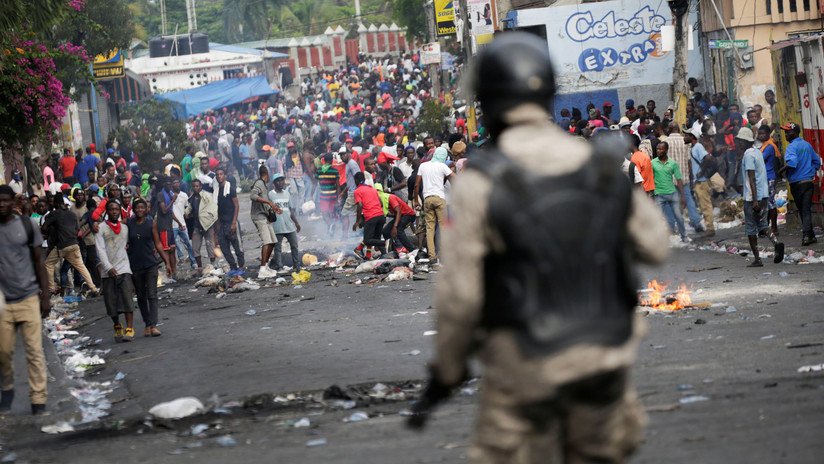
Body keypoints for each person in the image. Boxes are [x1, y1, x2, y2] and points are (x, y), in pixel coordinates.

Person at [406, 33, 668, 463]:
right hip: (602, 360)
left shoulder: (481, 181)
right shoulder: (595, 164)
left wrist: (448, 371)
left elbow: (460, 297)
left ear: (488, 102)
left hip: (525, 366)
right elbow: (655, 245)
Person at [0, 185, 51, 415]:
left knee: (34, 351)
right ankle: (7, 387)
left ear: (13, 202)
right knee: (4, 352)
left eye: (5, 200)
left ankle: (38, 399)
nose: (1, 204)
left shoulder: (27, 225)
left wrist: (45, 296)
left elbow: (39, 262)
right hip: (3, 302)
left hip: (29, 297)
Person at [735, 127, 785, 267]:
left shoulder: (748, 155)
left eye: (739, 141)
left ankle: (757, 259)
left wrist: (754, 200)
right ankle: (776, 243)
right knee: (762, 225)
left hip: (753, 198)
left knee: (751, 229)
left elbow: (752, 178)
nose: (738, 143)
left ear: (744, 142)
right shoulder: (757, 152)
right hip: (763, 195)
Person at [42, 192, 100, 296]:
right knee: (81, 266)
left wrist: (50, 231)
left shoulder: (54, 214)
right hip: (74, 244)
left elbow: (44, 227)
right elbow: (77, 229)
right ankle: (93, 288)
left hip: (62, 246)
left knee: (48, 264)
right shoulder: (72, 214)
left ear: (55, 203)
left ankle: (51, 288)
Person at [95, 200, 135, 343]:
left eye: (116, 209)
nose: (114, 211)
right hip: (108, 271)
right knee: (111, 303)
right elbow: (100, 249)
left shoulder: (125, 228)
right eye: (111, 209)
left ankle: (129, 328)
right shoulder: (100, 228)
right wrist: (108, 267)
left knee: (127, 299)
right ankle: (117, 324)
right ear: (107, 211)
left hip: (124, 268)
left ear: (119, 211)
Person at [128, 199, 167, 337]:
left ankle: (153, 325)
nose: (139, 210)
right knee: (141, 296)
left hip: (150, 264)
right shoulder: (129, 223)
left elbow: (158, 243)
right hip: (135, 266)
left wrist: (166, 262)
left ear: (146, 209)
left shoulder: (151, 223)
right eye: (137, 208)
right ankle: (147, 323)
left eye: (142, 208)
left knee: (152, 294)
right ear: (134, 209)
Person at [780, 123, 821, 245]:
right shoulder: (807, 145)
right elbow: (817, 162)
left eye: (788, 132)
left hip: (797, 184)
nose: (786, 134)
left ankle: (805, 236)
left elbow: (792, 162)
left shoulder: (791, 147)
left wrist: (781, 170)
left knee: (803, 210)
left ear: (794, 133)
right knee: (805, 209)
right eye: (785, 132)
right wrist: (811, 172)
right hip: (808, 182)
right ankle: (811, 235)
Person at [414, 146, 454, 262]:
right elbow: (454, 178)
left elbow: (416, 185)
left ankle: (432, 256)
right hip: (440, 199)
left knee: (430, 228)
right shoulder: (442, 166)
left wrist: (416, 200)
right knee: (443, 228)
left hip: (427, 199)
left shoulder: (423, 165)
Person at [665, 126, 704, 232]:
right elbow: (688, 160)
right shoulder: (684, 141)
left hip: (670, 176)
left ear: (670, 130)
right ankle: (696, 222)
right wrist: (691, 176)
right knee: (688, 198)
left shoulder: (665, 141)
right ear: (678, 130)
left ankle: (671, 226)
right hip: (683, 176)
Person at [652, 141, 689, 242]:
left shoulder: (673, 163)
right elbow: (650, 178)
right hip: (659, 194)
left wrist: (683, 196)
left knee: (679, 217)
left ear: (666, 150)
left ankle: (684, 237)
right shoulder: (653, 163)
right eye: (657, 149)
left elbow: (679, 179)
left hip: (672, 194)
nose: (658, 151)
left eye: (660, 149)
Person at [250, 165, 281, 279]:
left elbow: (266, 203)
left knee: (273, 241)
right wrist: (269, 202)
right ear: (267, 173)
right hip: (258, 217)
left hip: (265, 216)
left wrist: (274, 208)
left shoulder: (264, 185)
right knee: (267, 241)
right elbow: (253, 196)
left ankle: (266, 265)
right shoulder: (259, 183)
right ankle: (262, 269)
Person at [213, 167, 245, 275]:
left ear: (224, 175)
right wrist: (217, 228)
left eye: (221, 174)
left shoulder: (230, 188)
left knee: (237, 247)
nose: (219, 176)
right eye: (217, 175)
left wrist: (234, 222)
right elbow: (216, 209)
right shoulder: (216, 191)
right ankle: (233, 267)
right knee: (224, 248)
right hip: (222, 224)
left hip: (231, 222)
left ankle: (241, 267)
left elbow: (236, 205)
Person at [684, 132, 716, 237]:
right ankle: (708, 226)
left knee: (705, 204)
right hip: (699, 181)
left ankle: (710, 228)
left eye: (687, 135)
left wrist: (701, 172)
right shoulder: (693, 148)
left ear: (692, 137)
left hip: (702, 181)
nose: (685, 137)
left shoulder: (698, 146)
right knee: (703, 205)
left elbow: (707, 158)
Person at [268, 173, 302, 272]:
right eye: (278, 181)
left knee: (294, 246)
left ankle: (296, 265)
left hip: (289, 225)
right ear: (274, 183)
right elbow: (267, 210)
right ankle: (279, 266)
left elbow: (291, 210)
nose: (280, 182)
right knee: (278, 248)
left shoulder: (287, 194)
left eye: (281, 180)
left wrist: (296, 223)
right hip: (277, 227)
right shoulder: (270, 194)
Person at [185, 179, 218, 274]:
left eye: (197, 186)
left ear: (201, 186)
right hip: (197, 226)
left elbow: (213, 209)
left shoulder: (207, 196)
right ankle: (200, 267)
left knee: (210, 245)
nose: (196, 188)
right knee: (195, 247)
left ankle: (213, 265)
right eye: (194, 186)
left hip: (207, 225)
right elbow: (190, 208)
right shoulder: (192, 197)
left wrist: (211, 221)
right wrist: (186, 213)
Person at [352, 172, 386, 259]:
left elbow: (359, 205)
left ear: (356, 180)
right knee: (372, 239)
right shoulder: (372, 189)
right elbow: (381, 203)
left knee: (368, 240)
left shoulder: (357, 191)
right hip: (381, 216)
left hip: (371, 217)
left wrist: (357, 221)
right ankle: (369, 255)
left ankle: (385, 243)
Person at [756, 125, 781, 235]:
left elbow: (759, 158)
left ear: (768, 134)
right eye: (759, 133)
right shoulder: (764, 146)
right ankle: (765, 227)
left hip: (769, 177)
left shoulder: (770, 146)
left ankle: (774, 228)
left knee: (770, 203)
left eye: (763, 134)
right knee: (765, 203)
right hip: (765, 178)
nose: (761, 136)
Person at [155, 176, 178, 278]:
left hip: (169, 226)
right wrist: (173, 200)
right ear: (164, 184)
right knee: (166, 250)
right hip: (163, 226)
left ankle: (174, 272)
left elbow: (170, 212)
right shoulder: (161, 195)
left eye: (170, 184)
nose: (169, 186)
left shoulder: (169, 194)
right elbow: (164, 210)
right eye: (168, 184)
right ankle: (169, 273)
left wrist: (179, 222)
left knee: (173, 249)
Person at [171, 179, 196, 270]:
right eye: (174, 183)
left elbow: (187, 208)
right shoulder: (169, 195)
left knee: (188, 243)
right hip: (172, 225)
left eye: (178, 182)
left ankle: (193, 262)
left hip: (182, 223)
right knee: (175, 244)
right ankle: (180, 259)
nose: (177, 184)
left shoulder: (184, 195)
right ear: (172, 185)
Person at [316, 153, 341, 235]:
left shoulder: (319, 170)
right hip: (333, 196)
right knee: (332, 213)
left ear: (324, 160)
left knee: (324, 213)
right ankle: (331, 228)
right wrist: (338, 197)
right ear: (331, 161)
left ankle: (329, 226)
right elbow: (338, 186)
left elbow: (317, 181)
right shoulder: (335, 171)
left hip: (323, 196)